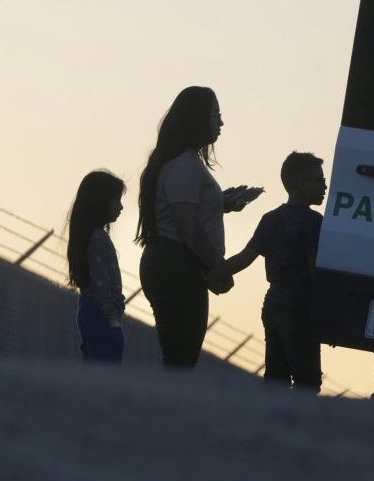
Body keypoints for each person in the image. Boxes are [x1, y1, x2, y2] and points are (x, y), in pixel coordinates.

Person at [135, 86, 263, 367]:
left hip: (172, 264)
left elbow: (186, 212)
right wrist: (219, 266)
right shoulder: (185, 165)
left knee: (178, 355)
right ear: (197, 119)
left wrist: (222, 203)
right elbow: (187, 225)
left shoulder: (179, 162)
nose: (221, 123)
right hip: (178, 266)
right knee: (181, 358)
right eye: (216, 115)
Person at [223, 152, 326, 392]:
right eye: (319, 180)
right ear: (301, 184)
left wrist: (214, 273)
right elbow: (314, 269)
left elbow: (244, 258)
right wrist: (325, 310)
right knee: (307, 381)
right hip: (300, 304)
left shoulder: (270, 219)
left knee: (275, 378)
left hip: (274, 302)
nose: (324, 185)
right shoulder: (313, 222)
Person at [67, 170, 127, 363]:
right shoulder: (98, 238)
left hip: (90, 309)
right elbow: (101, 284)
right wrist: (113, 318)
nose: (121, 207)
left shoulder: (89, 237)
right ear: (101, 201)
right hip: (100, 312)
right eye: (116, 200)